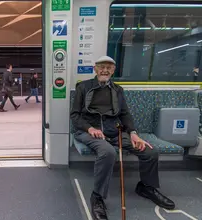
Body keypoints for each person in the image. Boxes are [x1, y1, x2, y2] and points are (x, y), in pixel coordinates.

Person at [70, 56, 175, 220]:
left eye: (109, 68)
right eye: (102, 67)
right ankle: (97, 196)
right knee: (108, 152)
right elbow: (75, 115)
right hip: (89, 131)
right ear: (95, 69)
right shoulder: (83, 87)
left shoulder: (118, 90)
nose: (105, 70)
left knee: (149, 151)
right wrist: (90, 128)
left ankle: (146, 187)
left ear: (113, 70)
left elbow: (125, 114)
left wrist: (133, 133)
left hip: (114, 131)